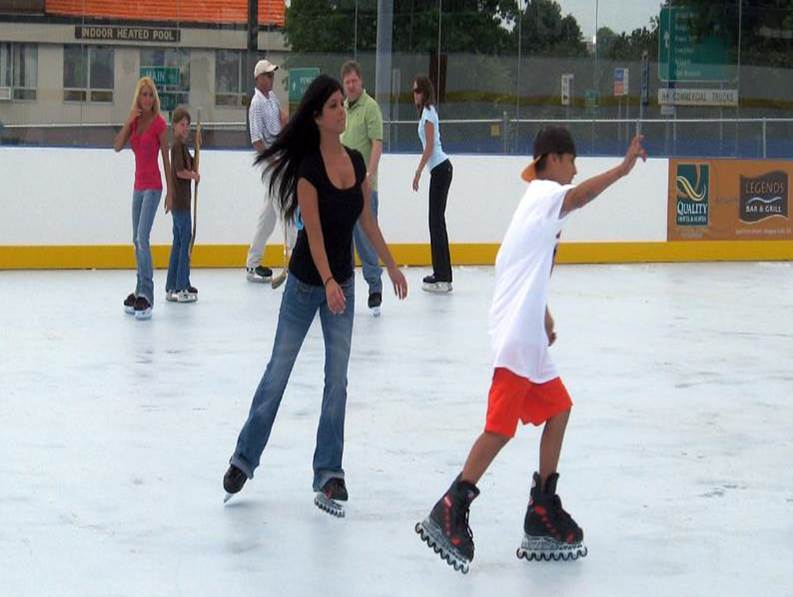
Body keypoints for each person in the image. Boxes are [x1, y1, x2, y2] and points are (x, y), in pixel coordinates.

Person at [415, 127, 647, 573]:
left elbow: (514, 263)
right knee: (500, 428)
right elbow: (578, 198)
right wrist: (622, 169)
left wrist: (542, 313)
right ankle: (451, 504)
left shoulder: (538, 209)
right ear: (551, 159)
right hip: (516, 337)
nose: (575, 170)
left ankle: (541, 507)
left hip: (529, 333)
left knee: (559, 410)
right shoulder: (543, 192)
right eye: (571, 160)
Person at [222, 75, 408, 517]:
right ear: (318, 118)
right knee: (278, 373)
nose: (343, 112)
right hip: (308, 283)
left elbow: (367, 222)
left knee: (337, 381)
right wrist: (326, 282)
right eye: (335, 107)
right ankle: (243, 460)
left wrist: (391, 265)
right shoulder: (307, 167)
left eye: (344, 105)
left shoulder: (357, 161)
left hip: (341, 283)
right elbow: (317, 235)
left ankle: (329, 472)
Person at [113, 76, 173, 320]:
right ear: (138, 97)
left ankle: (147, 293)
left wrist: (171, 192)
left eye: (150, 95)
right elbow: (117, 146)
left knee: (142, 237)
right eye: (144, 95)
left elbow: (166, 160)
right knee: (135, 240)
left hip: (154, 187)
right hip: (138, 187)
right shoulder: (135, 124)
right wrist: (128, 122)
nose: (147, 99)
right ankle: (139, 290)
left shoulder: (160, 124)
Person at [340, 60, 385, 316]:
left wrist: (368, 173)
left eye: (354, 81)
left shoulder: (371, 108)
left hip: (365, 188)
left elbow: (376, 143)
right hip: (342, 188)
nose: (351, 86)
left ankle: (375, 287)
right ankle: (344, 289)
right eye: (347, 82)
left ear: (361, 82)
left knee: (366, 239)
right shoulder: (343, 109)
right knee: (343, 241)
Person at [245, 58, 295, 284]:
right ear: (258, 79)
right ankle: (295, 260)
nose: (271, 78)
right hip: (270, 163)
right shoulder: (256, 103)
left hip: (279, 159)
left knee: (268, 216)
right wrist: (273, 162)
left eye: (272, 74)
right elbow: (256, 140)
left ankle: (253, 262)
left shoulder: (272, 98)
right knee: (286, 208)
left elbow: (282, 125)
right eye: (267, 75)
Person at [412, 75, 453, 293]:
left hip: (440, 168)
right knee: (437, 222)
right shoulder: (429, 112)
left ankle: (442, 276)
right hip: (441, 169)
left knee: (435, 222)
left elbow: (429, 148)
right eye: (414, 91)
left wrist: (418, 172)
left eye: (418, 90)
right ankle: (443, 274)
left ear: (425, 92)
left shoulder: (428, 113)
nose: (415, 95)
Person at [165, 106, 200, 303]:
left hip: (181, 202)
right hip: (181, 203)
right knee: (184, 242)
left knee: (178, 243)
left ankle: (172, 286)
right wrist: (193, 175)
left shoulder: (183, 147)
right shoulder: (177, 146)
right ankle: (181, 285)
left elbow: (191, 164)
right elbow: (180, 171)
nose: (185, 128)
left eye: (187, 125)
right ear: (175, 126)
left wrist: (197, 147)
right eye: (182, 125)